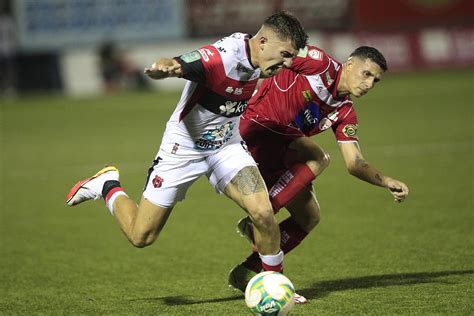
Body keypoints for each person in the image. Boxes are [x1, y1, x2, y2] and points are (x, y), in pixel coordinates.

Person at [66, 12, 307, 276]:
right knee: (141, 236)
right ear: (262, 42)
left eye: (292, 56)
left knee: (262, 212)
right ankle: (107, 184)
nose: (288, 63)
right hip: (184, 148)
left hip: (226, 147)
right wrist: (166, 67)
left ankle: (275, 284)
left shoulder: (260, 60)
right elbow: (184, 62)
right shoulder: (222, 56)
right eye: (285, 54)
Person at [227, 45, 410, 301]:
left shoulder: (345, 111)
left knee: (309, 217)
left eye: (375, 80)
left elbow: (354, 162)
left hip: (281, 148)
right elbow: (280, 51)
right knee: (318, 157)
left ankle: (247, 271)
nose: (369, 84)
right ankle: (259, 221)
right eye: (366, 74)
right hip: (256, 126)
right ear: (349, 65)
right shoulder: (319, 64)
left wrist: (386, 180)